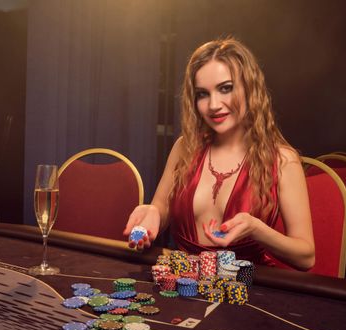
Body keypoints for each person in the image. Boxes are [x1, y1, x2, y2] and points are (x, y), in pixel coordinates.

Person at [124, 37, 315, 270]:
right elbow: (161, 209)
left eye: (226, 88)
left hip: (249, 291)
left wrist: (257, 230)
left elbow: (306, 257)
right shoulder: (185, 147)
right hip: (185, 285)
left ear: (250, 88)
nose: (214, 104)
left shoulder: (283, 160)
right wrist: (153, 213)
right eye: (203, 94)